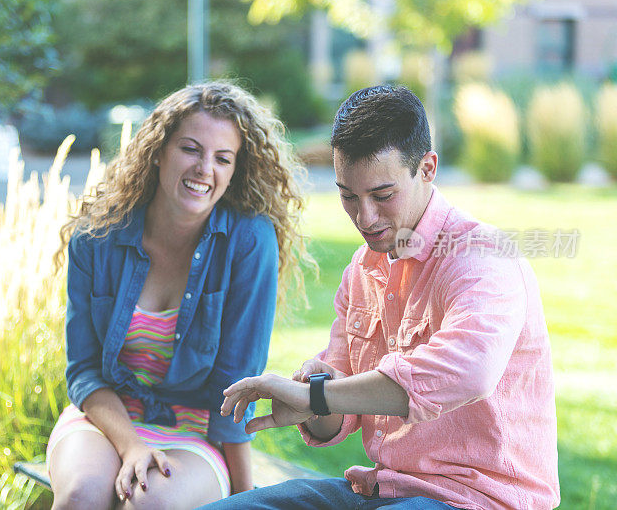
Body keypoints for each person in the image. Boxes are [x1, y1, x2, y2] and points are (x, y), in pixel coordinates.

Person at [204, 85, 561, 509]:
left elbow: (469, 371)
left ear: (427, 168)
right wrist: (311, 400)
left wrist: (320, 396)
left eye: (383, 195)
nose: (364, 217)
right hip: (382, 491)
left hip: (478, 500)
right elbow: (339, 411)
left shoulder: (482, 256)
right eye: (348, 196)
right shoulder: (362, 268)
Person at [47, 81, 312, 509]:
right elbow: (83, 370)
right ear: (159, 151)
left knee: (152, 501)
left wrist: (246, 497)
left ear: (234, 170)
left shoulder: (248, 241)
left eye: (222, 158)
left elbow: (236, 381)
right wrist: (130, 445)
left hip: (195, 432)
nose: (205, 168)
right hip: (106, 420)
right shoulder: (96, 238)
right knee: (82, 495)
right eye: (191, 149)